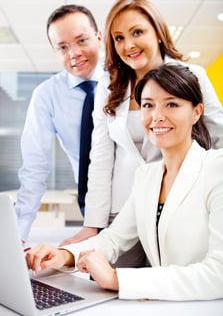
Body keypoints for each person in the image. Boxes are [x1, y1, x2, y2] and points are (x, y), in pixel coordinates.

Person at [26, 63, 223, 301]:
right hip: (167, 307)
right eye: (148, 105)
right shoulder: (147, 176)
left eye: (172, 104)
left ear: (196, 112)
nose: (157, 116)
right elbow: (113, 238)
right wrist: (63, 255)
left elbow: (218, 274)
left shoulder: (216, 169)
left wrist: (116, 279)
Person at [60, 0, 223, 263]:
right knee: (112, 287)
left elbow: (219, 138)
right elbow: (100, 158)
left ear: (158, 32)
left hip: (177, 205)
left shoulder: (191, 76)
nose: (129, 45)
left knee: (170, 285)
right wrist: (93, 223)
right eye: (119, 37)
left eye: (137, 32)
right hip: (121, 207)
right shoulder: (108, 86)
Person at [15, 4, 104, 243]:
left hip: (138, 202)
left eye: (81, 41)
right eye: (63, 47)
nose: (73, 53)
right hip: (92, 208)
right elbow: (35, 167)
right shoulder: (46, 95)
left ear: (99, 37)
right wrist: (17, 237)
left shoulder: (127, 80)